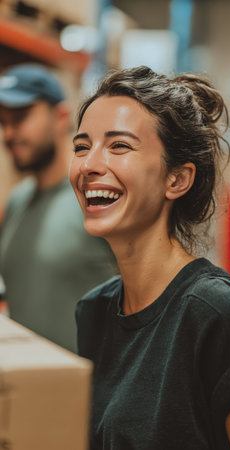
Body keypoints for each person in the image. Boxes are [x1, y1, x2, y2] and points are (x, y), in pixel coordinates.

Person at [69, 65, 230, 449]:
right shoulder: (94, 311)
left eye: (119, 145)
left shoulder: (219, 312)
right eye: (82, 146)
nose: (89, 165)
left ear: (177, 179)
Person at [0, 63, 116, 352]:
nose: (9, 133)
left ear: (61, 117)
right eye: (3, 122)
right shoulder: (17, 201)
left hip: (85, 390)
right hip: (26, 384)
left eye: (21, 117)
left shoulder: (94, 198)